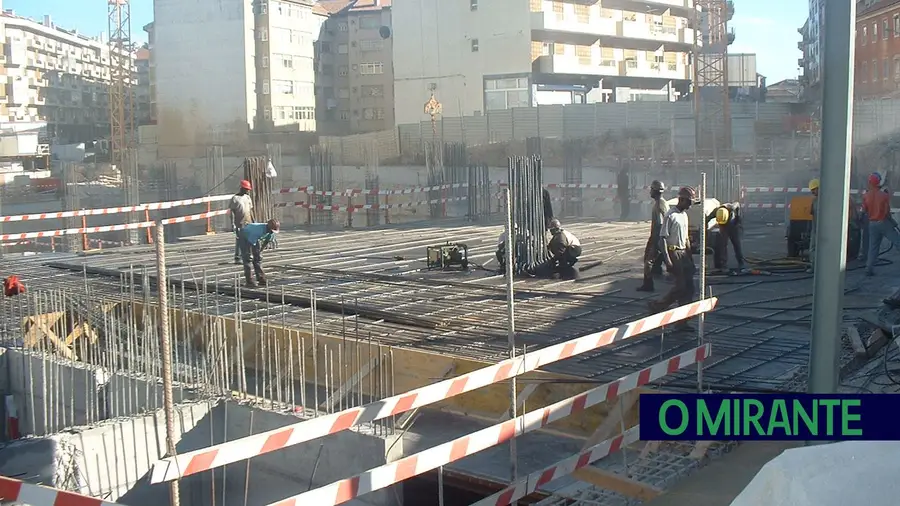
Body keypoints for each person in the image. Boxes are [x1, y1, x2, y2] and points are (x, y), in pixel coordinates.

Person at [648, 187, 696, 330]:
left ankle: (682, 321)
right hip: (674, 252)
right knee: (681, 286)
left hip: (683, 254)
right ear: (681, 200)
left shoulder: (684, 215)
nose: (690, 205)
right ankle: (657, 306)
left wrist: (690, 258)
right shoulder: (671, 215)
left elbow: (686, 239)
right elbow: (662, 240)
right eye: (689, 202)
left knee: (690, 289)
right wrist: (668, 260)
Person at [863, 173, 900, 276]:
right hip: (883, 222)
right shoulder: (884, 195)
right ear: (879, 182)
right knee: (898, 242)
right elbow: (887, 211)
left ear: (870, 182)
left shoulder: (866, 195)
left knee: (873, 248)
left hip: (872, 224)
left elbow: (864, 210)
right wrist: (892, 222)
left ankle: (868, 268)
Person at [638, 180, 668, 292]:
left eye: (651, 189)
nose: (650, 191)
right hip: (660, 237)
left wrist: (655, 242)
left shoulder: (659, 205)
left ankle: (648, 284)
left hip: (657, 237)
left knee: (648, 261)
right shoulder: (662, 203)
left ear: (655, 191)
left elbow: (660, 224)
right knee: (664, 260)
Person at [238, 219, 279, 287]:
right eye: (271, 230)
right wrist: (252, 254)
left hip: (254, 237)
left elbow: (265, 242)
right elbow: (251, 243)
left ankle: (261, 279)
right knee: (248, 258)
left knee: (258, 259)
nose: (271, 232)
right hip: (244, 235)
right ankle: (249, 281)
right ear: (268, 227)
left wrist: (259, 252)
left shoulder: (270, 233)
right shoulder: (257, 231)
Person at [708, 202, 745, 272]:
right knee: (722, 244)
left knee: (736, 243)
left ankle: (741, 262)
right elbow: (707, 219)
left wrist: (737, 218)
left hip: (733, 226)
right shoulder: (716, 211)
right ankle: (723, 264)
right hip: (724, 227)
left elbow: (737, 204)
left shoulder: (732, 207)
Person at [230, 180, 254, 264]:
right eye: (246, 189)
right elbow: (232, 212)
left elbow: (250, 211)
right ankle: (238, 257)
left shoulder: (247, 198)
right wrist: (233, 224)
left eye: (248, 189)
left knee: (249, 239)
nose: (247, 191)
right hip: (239, 223)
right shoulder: (235, 198)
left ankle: (248, 255)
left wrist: (253, 221)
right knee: (240, 240)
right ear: (242, 188)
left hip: (248, 222)